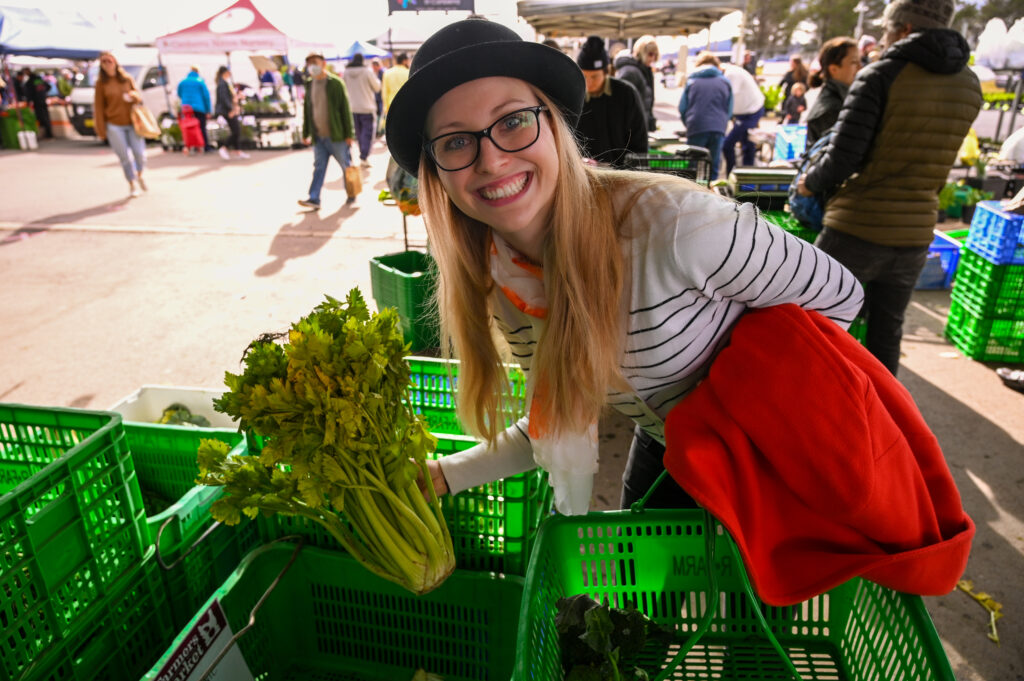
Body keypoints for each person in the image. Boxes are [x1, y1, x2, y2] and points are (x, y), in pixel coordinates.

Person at [384, 18, 864, 513]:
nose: (490, 161)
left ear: (553, 124)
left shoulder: (676, 227)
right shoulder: (503, 281)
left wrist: (732, 422)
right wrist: (443, 476)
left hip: (770, 456)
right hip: (666, 441)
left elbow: (840, 294)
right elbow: (559, 416)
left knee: (752, 593)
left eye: (512, 121)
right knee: (640, 590)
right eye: (456, 141)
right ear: (436, 171)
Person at [796, 0, 982, 375]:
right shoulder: (969, 84)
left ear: (904, 28)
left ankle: (806, 416)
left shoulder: (882, 74)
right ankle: (880, 419)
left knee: (810, 326)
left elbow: (843, 158)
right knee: (886, 333)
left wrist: (807, 184)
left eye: (886, 28)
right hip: (915, 234)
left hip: (857, 228)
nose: (882, 36)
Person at [573, 35, 648, 168]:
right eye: (584, 76)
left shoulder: (626, 93)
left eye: (595, 76)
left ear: (606, 71)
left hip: (621, 174)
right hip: (583, 175)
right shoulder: (573, 95)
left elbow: (639, 140)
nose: (589, 82)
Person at [299, 52, 355, 209]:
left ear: (323, 63)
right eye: (309, 64)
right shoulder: (309, 84)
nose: (312, 66)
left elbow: (345, 109)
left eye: (315, 62)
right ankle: (314, 198)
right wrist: (306, 133)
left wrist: (349, 134)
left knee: (346, 166)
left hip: (337, 136)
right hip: (319, 137)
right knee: (319, 168)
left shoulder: (335, 83)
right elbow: (307, 111)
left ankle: (351, 193)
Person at [93, 52, 147, 197]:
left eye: (109, 60)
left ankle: (139, 174)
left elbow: (139, 96)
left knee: (139, 154)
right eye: (103, 62)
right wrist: (101, 129)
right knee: (125, 158)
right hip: (114, 124)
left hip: (132, 122)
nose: (107, 64)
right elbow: (98, 107)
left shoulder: (126, 78)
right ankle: (132, 184)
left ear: (115, 62)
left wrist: (133, 96)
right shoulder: (101, 84)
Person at [677, 51, 732, 180]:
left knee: (692, 166)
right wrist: (722, 123)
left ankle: (692, 195)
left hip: (696, 126)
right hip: (718, 128)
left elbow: (682, 108)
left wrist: (689, 123)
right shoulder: (725, 82)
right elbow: (729, 110)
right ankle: (711, 195)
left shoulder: (692, 81)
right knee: (713, 166)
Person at [804, 37, 860, 147]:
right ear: (833, 69)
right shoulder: (830, 111)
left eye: (860, 61)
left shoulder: (844, 98)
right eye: (854, 62)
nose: (860, 67)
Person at [720, 60, 766, 176]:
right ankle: (745, 174)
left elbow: (728, 96)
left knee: (728, 144)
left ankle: (734, 174)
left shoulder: (731, 73)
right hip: (746, 112)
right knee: (747, 143)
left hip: (751, 112)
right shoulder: (732, 72)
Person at [612, 35, 659, 132]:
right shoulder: (631, 72)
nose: (653, 58)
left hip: (638, 128)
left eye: (655, 54)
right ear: (642, 52)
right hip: (631, 130)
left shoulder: (643, 71)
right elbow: (620, 105)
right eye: (650, 54)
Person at [342, 53, 381, 168]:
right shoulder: (367, 71)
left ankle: (362, 154)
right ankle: (364, 156)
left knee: (359, 134)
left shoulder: (346, 72)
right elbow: (377, 87)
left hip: (352, 108)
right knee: (367, 134)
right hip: (367, 107)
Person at [214, 66, 249, 160]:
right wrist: (231, 109)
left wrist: (238, 96)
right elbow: (224, 98)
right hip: (227, 111)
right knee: (236, 130)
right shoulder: (222, 84)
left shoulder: (225, 83)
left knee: (236, 130)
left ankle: (238, 150)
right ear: (225, 72)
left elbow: (228, 97)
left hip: (229, 109)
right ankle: (224, 147)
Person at [177, 66, 213, 152]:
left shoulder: (182, 82)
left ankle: (191, 146)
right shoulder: (200, 81)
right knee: (201, 128)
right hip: (199, 107)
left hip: (186, 108)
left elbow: (179, 93)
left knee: (189, 127)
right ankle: (205, 146)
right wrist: (208, 110)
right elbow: (206, 97)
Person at [19, 68, 53, 139]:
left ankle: (48, 134)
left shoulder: (30, 81)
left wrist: (29, 101)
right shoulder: (39, 79)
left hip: (37, 101)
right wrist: (43, 93)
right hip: (43, 100)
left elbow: (29, 93)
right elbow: (48, 86)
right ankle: (48, 134)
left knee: (41, 117)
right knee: (45, 116)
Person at [381, 52, 410, 128]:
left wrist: (385, 108)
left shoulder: (387, 73)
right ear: (404, 61)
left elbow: (384, 92)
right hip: (406, 106)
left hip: (391, 106)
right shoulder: (408, 72)